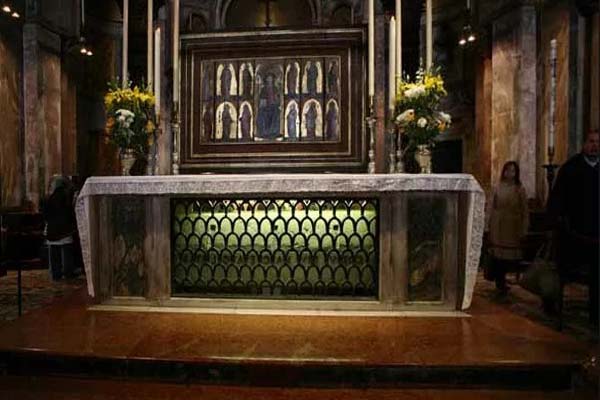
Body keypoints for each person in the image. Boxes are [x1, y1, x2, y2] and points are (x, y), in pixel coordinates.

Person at [547, 130, 599, 325]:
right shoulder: (571, 168)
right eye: (591, 141)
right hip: (574, 237)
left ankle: (595, 312)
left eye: (598, 142)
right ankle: (553, 304)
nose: (595, 146)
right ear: (584, 144)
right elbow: (557, 201)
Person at [486, 161, 529, 295]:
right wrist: (487, 224)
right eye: (507, 170)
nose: (510, 173)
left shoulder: (519, 189)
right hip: (498, 225)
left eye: (513, 171)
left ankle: (503, 278)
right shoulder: (497, 187)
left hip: (513, 225)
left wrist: (524, 228)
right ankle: (499, 280)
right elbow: (490, 207)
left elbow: (525, 210)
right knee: (498, 256)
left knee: (508, 256)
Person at [42, 176, 77, 280]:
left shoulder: (49, 198)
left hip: (53, 229)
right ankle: (68, 273)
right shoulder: (67, 198)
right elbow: (71, 213)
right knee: (67, 253)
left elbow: (45, 214)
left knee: (54, 253)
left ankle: (55, 274)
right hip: (65, 229)